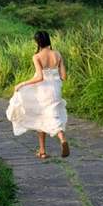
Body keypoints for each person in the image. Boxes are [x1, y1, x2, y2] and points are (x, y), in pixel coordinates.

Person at [6, 31, 70, 159]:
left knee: (41, 115)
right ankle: (48, 147)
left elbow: (40, 77)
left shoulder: (37, 57)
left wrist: (22, 83)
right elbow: (64, 76)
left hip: (43, 90)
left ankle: (53, 144)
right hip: (56, 89)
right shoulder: (57, 54)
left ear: (37, 42)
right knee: (49, 115)